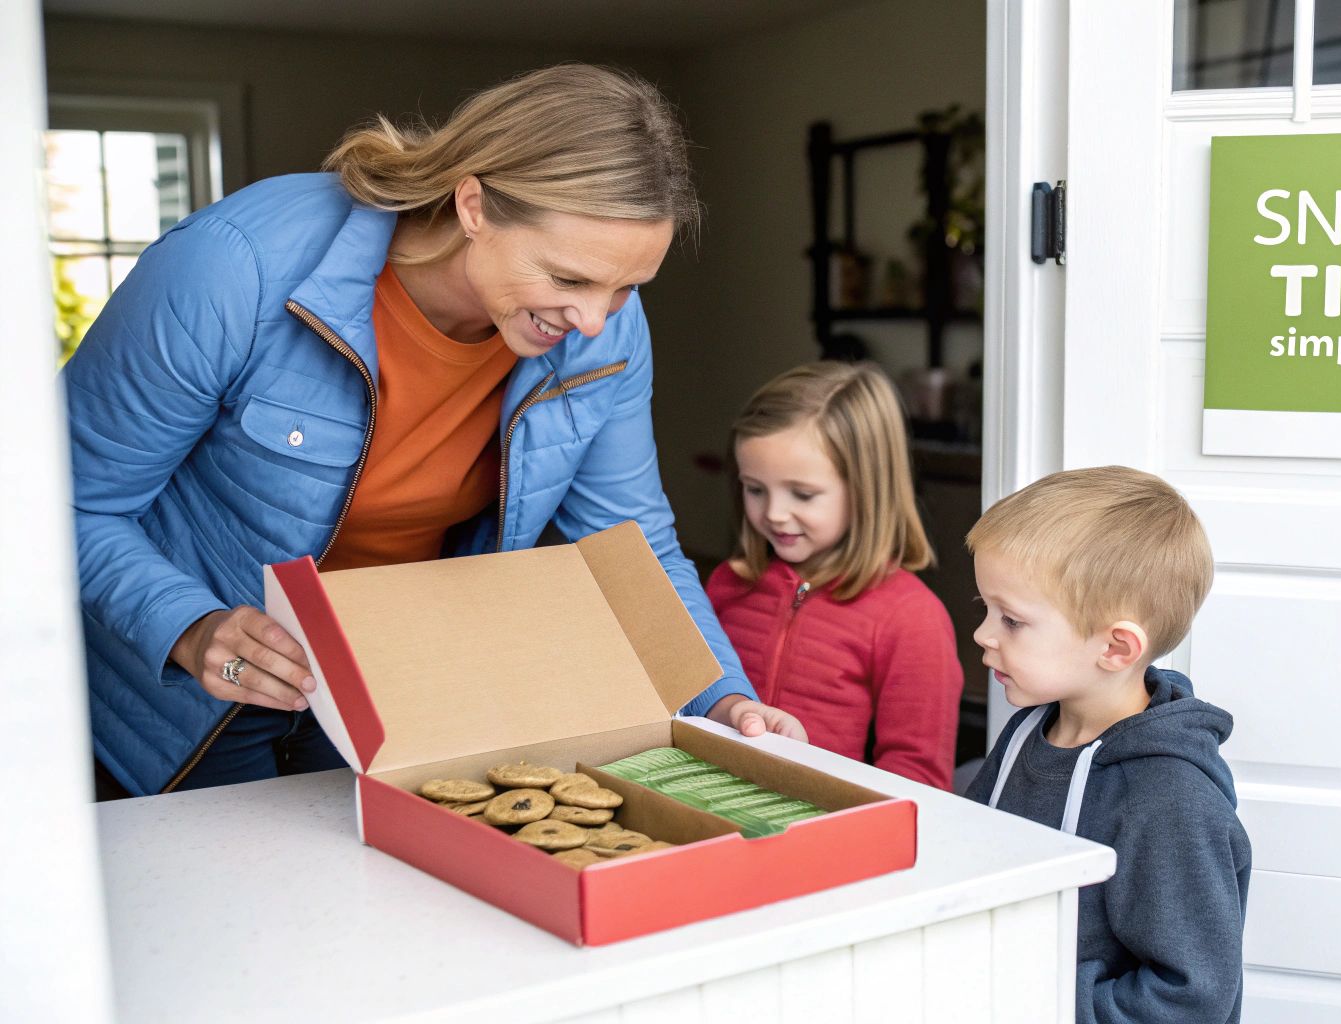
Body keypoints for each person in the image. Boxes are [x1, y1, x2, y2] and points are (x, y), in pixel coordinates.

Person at [63, 64, 803, 798]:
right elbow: (66, 504)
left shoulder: (605, 329)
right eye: (570, 280)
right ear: (474, 204)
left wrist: (721, 701)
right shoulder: (234, 266)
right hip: (179, 704)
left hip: (393, 691)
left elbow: (633, 544)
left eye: (627, 287)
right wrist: (190, 627)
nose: (594, 322)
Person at [963, 466, 1250, 1022]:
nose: (982, 634)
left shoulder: (1171, 798)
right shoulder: (1030, 730)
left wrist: (1032, 997)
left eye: (1013, 620)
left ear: (1116, 648)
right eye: (986, 610)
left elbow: (1190, 997)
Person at [707, 362, 964, 788]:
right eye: (755, 488)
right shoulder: (726, 584)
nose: (773, 513)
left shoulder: (912, 617)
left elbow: (918, 777)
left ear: (866, 488)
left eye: (803, 494)